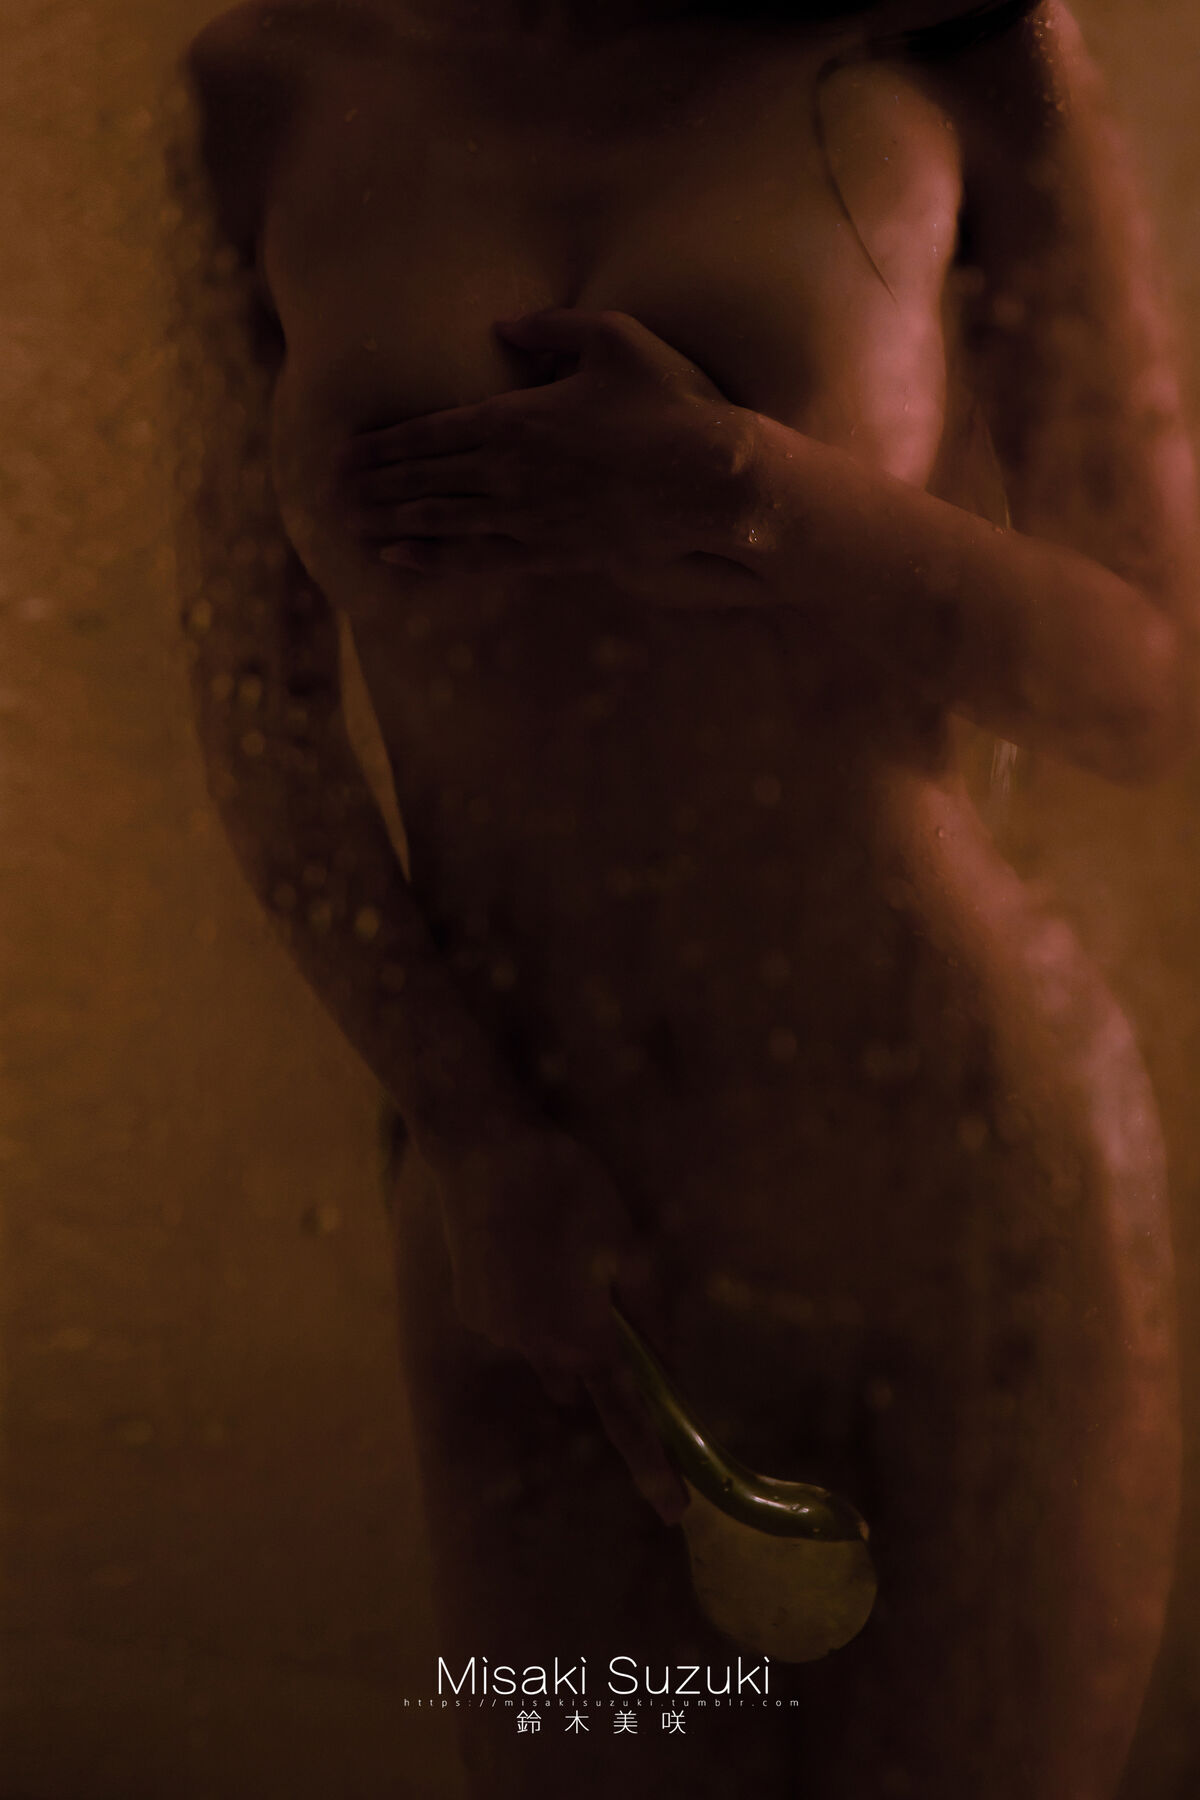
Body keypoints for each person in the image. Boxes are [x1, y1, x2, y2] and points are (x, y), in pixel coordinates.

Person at [167, 0, 1195, 1792]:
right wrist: (474, 1133)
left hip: (951, 1193)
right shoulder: (268, 85)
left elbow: (1151, 686)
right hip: (545, 1242)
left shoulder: (966, 48)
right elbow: (259, 707)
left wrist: (751, 490)